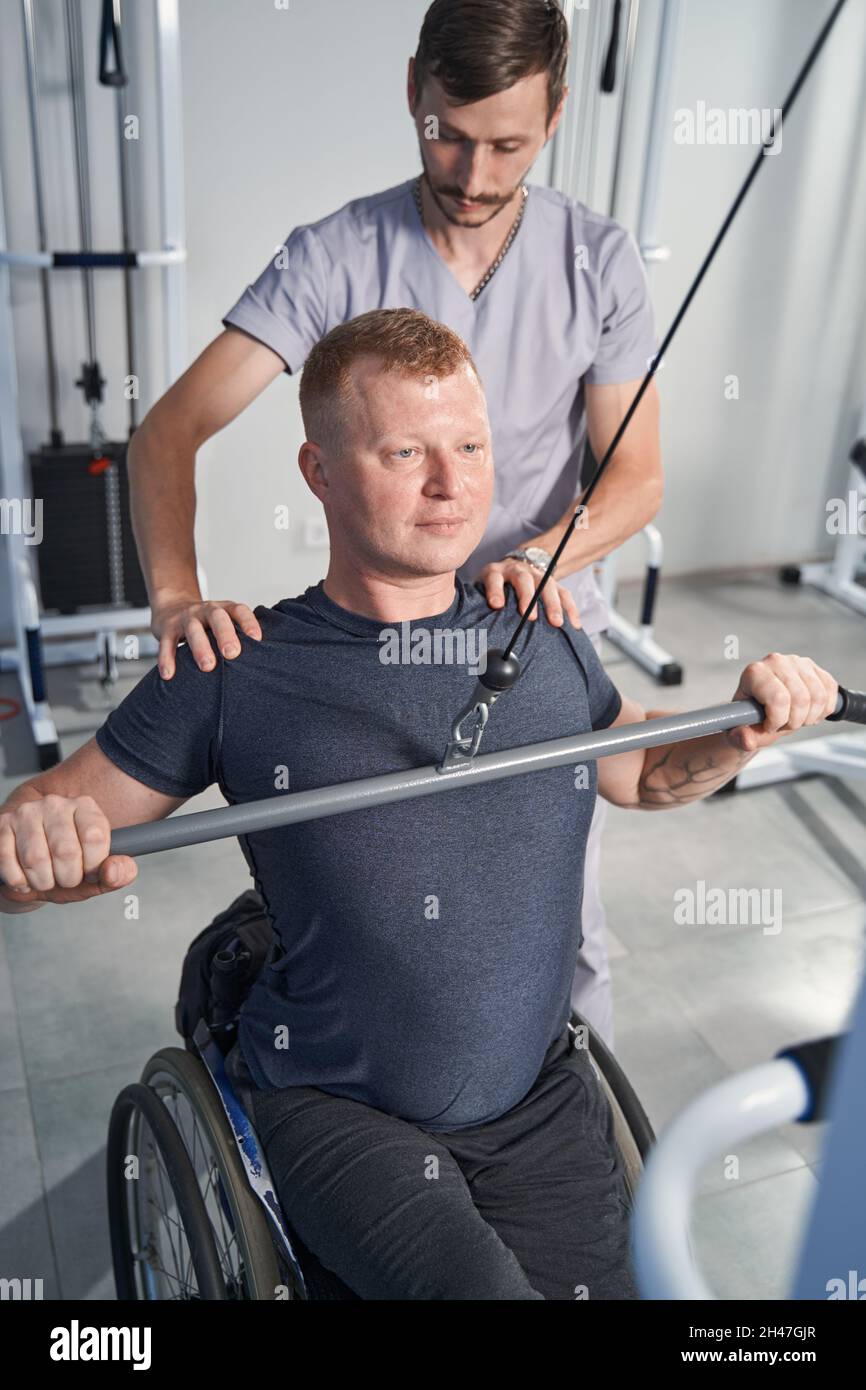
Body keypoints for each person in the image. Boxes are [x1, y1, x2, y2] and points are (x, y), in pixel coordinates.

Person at [0, 310, 838, 1301]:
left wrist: (737, 728)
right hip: (342, 1110)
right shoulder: (234, 666)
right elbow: (40, 831)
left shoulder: (541, 627)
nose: (452, 485)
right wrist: (32, 841)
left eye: (470, 446)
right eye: (405, 451)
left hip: (534, 1093)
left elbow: (644, 772)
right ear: (317, 471)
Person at [126, 0, 662, 1048]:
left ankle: (560, 1123)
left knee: (563, 930)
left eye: (504, 144)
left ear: (554, 112)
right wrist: (176, 596)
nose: (470, 174)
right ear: (410, 88)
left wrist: (531, 559)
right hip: (374, 638)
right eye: (447, 135)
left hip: (529, 627)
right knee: (380, 920)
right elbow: (167, 432)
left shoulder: (596, 261)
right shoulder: (332, 255)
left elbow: (634, 477)